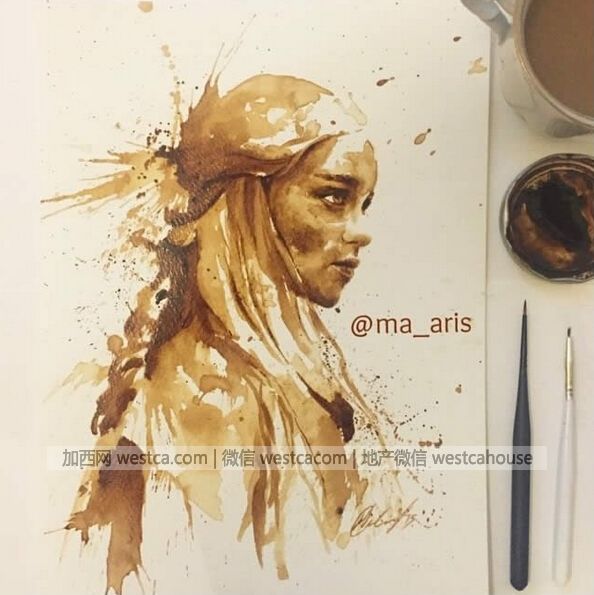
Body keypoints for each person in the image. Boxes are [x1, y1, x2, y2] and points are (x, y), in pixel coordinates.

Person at [46, 72, 409, 595]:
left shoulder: (294, 368)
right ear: (244, 202)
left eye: (364, 204)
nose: (361, 231)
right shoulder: (206, 395)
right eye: (333, 197)